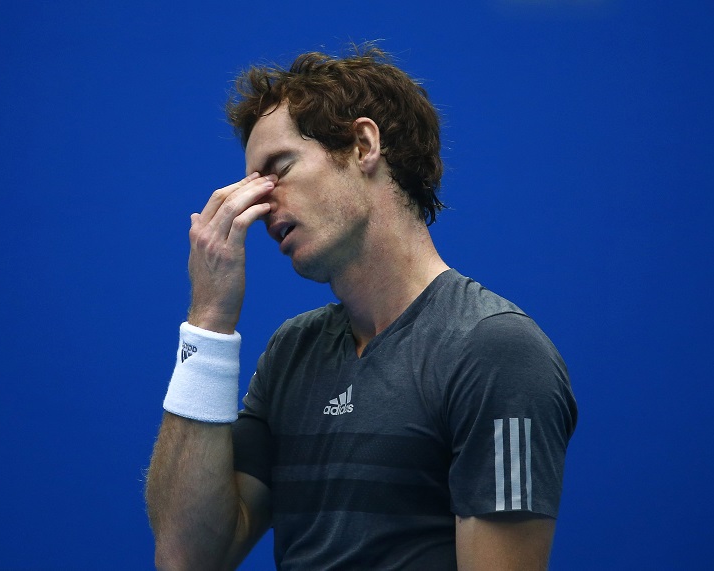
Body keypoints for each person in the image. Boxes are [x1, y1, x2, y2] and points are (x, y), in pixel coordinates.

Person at [145, 45, 578, 571]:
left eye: (277, 169)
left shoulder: (497, 350)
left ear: (363, 145)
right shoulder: (291, 351)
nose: (256, 208)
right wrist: (209, 323)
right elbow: (185, 559)